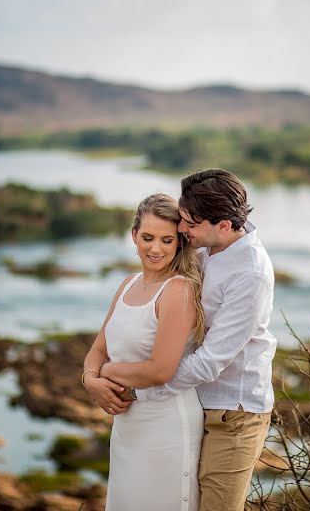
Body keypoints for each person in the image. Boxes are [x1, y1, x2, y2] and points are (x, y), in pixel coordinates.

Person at [101, 168, 276, 511]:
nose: (182, 230)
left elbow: (211, 360)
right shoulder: (205, 248)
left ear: (224, 225)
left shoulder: (250, 273)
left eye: (190, 224)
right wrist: (95, 377)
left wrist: (141, 390)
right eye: (182, 219)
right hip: (193, 405)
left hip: (232, 413)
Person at [82, 193, 206, 511]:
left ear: (179, 243)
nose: (156, 248)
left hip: (167, 426)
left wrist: (106, 373)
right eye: (148, 238)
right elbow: (99, 348)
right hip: (127, 425)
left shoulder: (178, 290)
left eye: (167, 240)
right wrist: (89, 381)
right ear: (134, 235)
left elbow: (160, 370)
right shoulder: (128, 283)